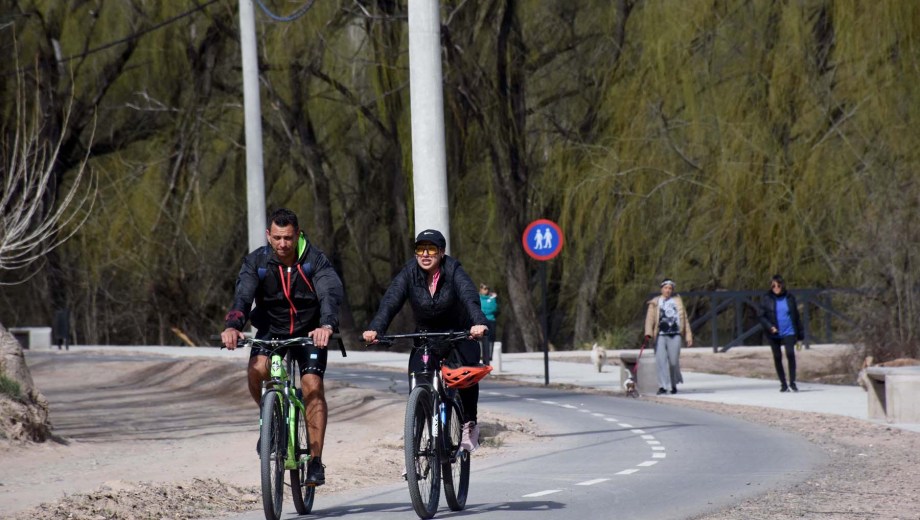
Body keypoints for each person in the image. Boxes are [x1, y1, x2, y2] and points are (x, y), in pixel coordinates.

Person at [221, 208, 343, 486]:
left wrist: (326, 326)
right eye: (276, 237)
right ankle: (270, 415)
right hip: (271, 329)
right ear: (268, 235)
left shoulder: (315, 260)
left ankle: (314, 461)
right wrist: (232, 326)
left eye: (288, 238)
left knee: (312, 384)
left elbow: (329, 294)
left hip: (310, 331)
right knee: (257, 369)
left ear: (297, 235)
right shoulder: (258, 262)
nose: (282, 244)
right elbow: (243, 296)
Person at [362, 229, 488, 452]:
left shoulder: (453, 270)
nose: (425, 254)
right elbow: (391, 301)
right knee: (418, 385)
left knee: (466, 373)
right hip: (426, 336)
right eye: (421, 249)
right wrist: (375, 328)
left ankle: (469, 424)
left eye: (431, 249)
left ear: (441, 252)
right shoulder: (409, 272)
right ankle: (416, 451)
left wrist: (478, 323)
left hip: (458, 333)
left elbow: (469, 296)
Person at [644, 278, 693, 395]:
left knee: (673, 362)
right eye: (666, 288)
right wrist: (648, 333)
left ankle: (673, 384)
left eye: (670, 288)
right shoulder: (655, 302)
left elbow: (684, 319)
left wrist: (688, 336)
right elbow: (649, 319)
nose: (668, 290)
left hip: (675, 334)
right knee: (661, 361)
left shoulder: (677, 301)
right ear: (661, 289)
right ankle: (662, 386)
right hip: (660, 335)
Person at [758, 274, 805, 392]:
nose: (776, 288)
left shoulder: (790, 298)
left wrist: (800, 335)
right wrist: (770, 327)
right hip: (773, 333)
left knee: (790, 354)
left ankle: (792, 383)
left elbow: (796, 316)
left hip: (789, 331)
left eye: (778, 285)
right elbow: (761, 316)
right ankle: (783, 384)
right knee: (777, 357)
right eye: (773, 286)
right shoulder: (766, 298)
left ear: (782, 285)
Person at [478, 283, 498, 365]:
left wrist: (485, 311)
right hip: (481, 321)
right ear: (481, 289)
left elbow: (494, 308)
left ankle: (488, 360)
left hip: (490, 321)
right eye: (484, 288)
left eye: (487, 288)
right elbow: (479, 308)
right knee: (480, 341)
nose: (486, 290)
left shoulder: (492, 298)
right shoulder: (477, 297)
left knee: (489, 341)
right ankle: (481, 359)